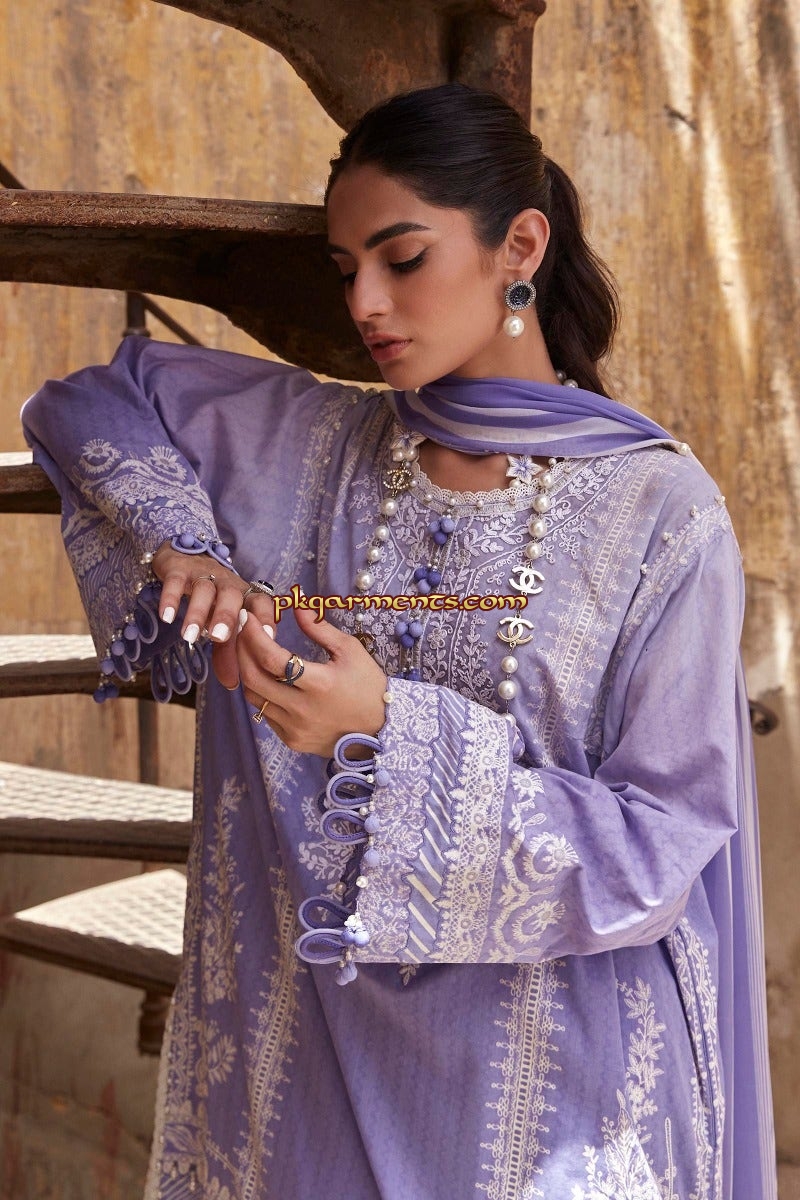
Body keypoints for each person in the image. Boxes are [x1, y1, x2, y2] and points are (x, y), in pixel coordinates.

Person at [22, 84, 775, 1200]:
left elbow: (660, 843)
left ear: (520, 247)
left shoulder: (657, 513)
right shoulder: (313, 443)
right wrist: (181, 544)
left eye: (403, 258)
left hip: (550, 1098)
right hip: (309, 1071)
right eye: (344, 270)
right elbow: (94, 399)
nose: (366, 304)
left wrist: (381, 728)